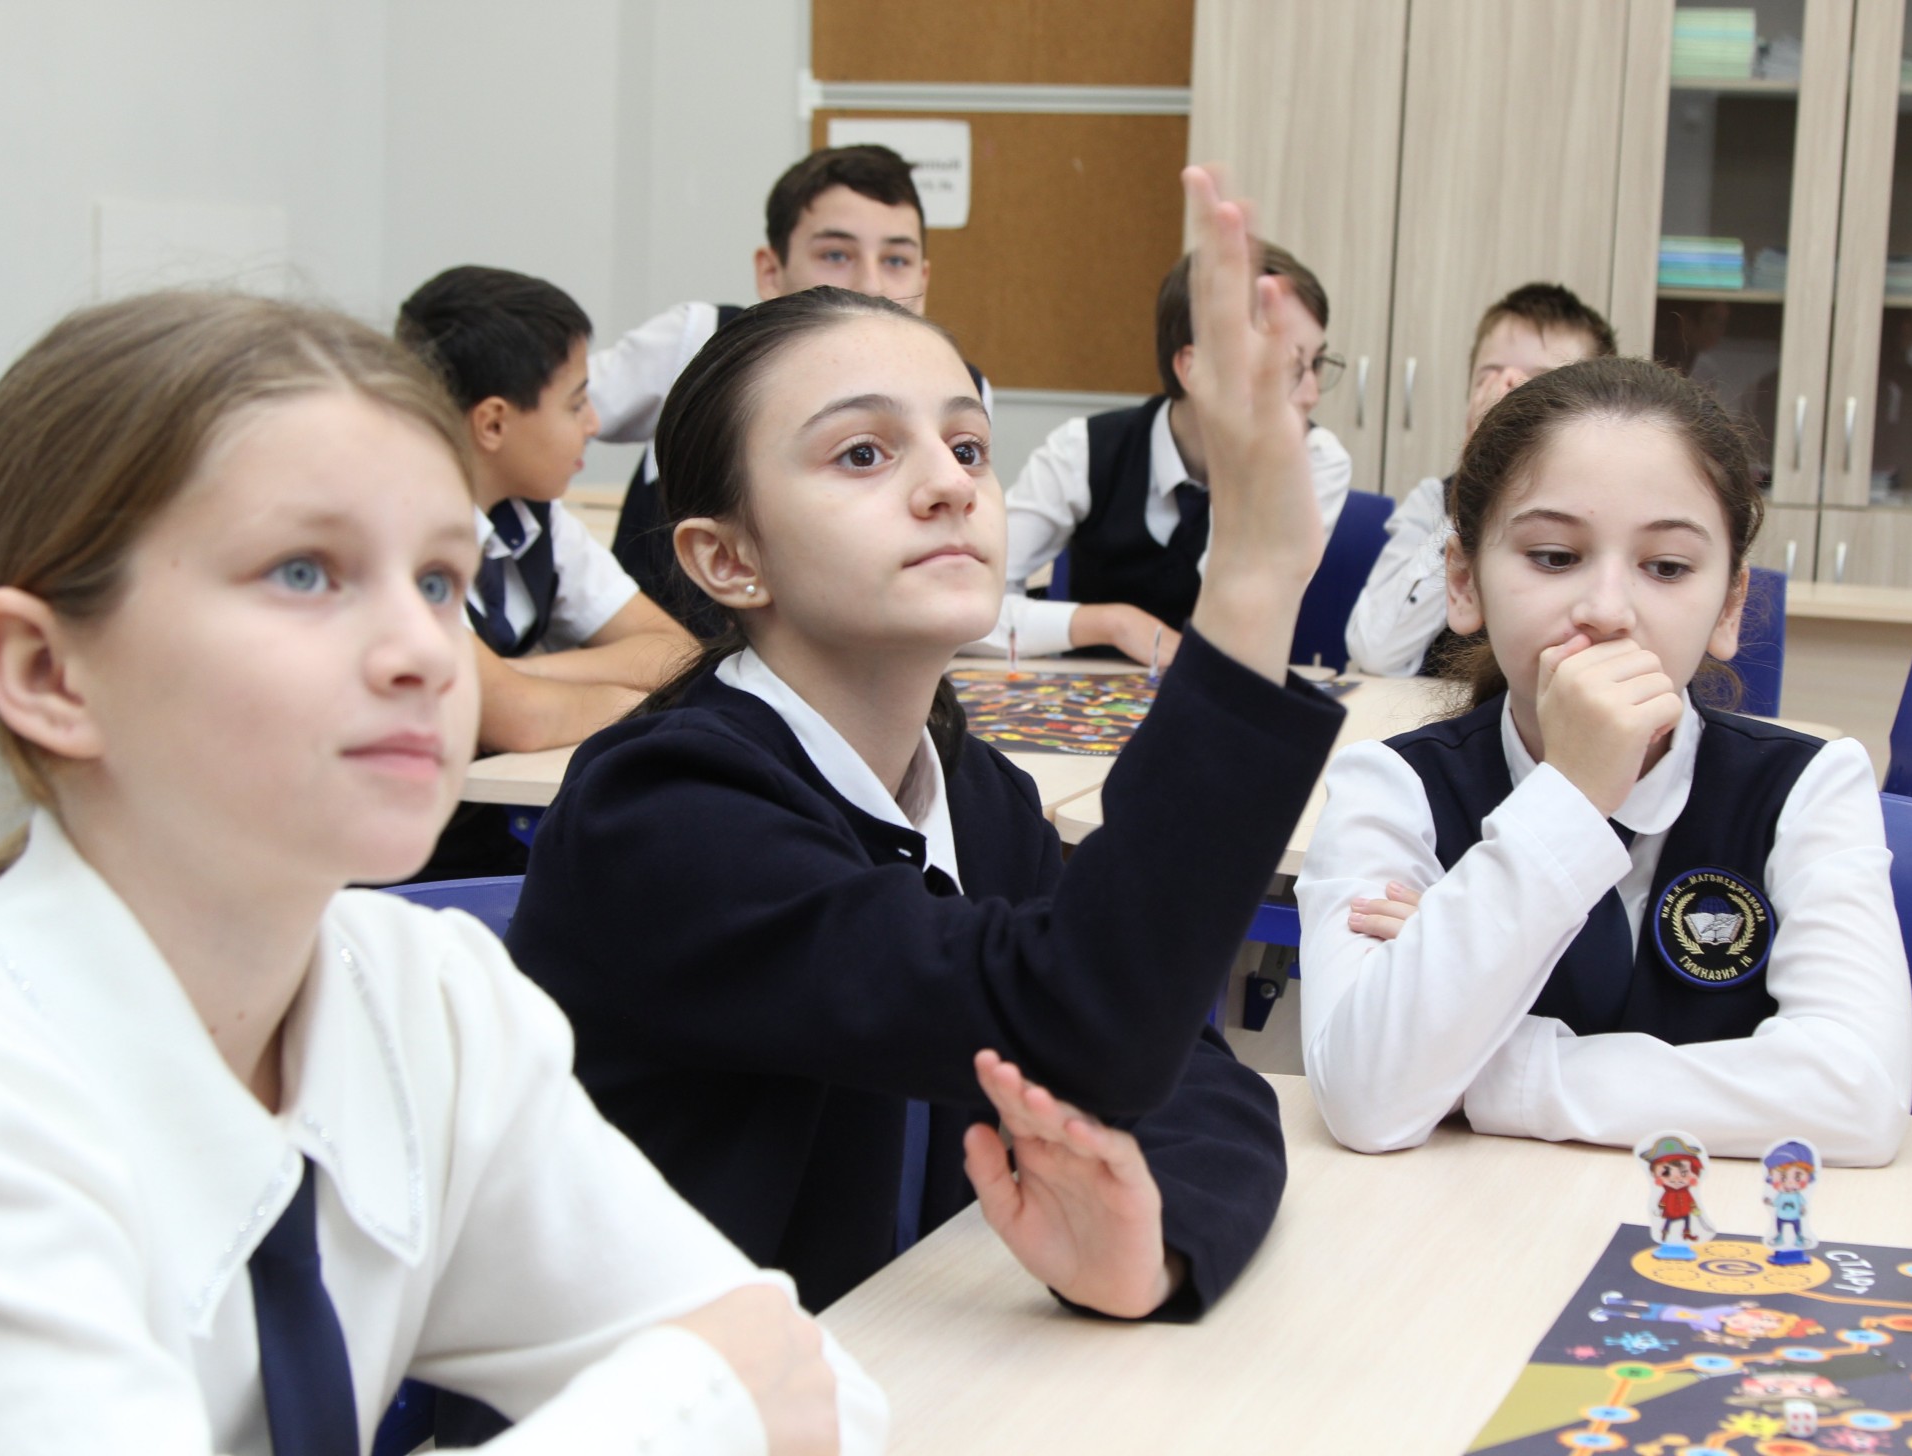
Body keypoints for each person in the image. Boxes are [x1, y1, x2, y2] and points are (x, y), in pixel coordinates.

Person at [0, 291, 884, 1454]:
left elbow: (811, 1385)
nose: (425, 651)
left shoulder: (427, 995)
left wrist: (712, 1390)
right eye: (304, 572)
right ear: (46, 671)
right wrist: (691, 1406)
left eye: (436, 581)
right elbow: (736, 1384)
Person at [508, 168, 1344, 1321]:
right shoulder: (663, 809)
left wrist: (1151, 1255)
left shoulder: (972, 792)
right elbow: (1096, 1017)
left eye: (967, 446)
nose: (948, 486)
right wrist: (1249, 575)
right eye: (862, 454)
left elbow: (1190, 1072)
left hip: (903, 1373)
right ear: (726, 559)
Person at [1295, 356, 1912, 1164]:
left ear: (1729, 605)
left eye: (1667, 567)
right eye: (1555, 557)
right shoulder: (1390, 788)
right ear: (1464, 582)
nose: (1608, 611)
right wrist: (1572, 793)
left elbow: (1857, 1096)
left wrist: (1484, 1062)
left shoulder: (1811, 787)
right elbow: (1366, 1097)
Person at [590, 144, 990, 636]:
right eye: (836, 255)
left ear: (923, 278)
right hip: (666, 660)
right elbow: (545, 415)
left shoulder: (959, 390)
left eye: (896, 259)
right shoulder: (698, 342)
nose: (871, 284)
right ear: (770, 271)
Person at [397, 265, 696, 878]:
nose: (594, 424)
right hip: (405, 862)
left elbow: (674, 654)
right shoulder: (397, 535)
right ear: (493, 423)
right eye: (576, 402)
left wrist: (510, 675)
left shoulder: (534, 516)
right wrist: (518, 694)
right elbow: (521, 719)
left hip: (492, 839)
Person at [965, 243, 1351, 666]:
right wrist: (1112, 624)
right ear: (1193, 369)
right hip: (1089, 695)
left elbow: (1243, 623)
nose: (1311, 395)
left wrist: (1244, 471)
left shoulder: (1315, 461)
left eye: (1316, 364)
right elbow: (968, 601)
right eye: (1284, 367)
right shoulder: (1082, 450)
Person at [1345, 282, 1615, 677]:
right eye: (1490, 380)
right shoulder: (1434, 501)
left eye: (1538, 386)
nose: (1505, 400)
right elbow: (1375, 651)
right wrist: (1476, 486)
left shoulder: (1613, 514)